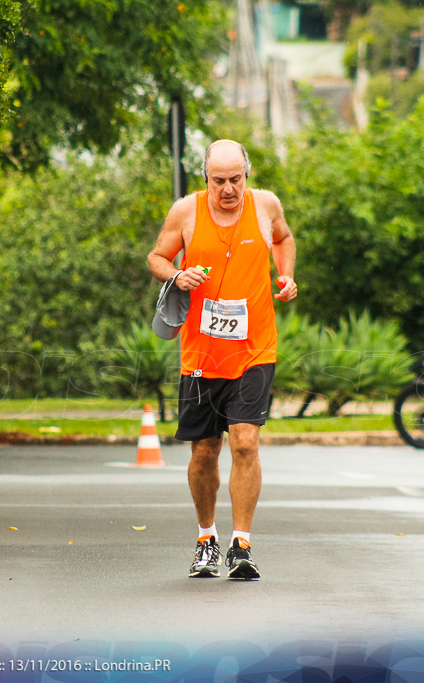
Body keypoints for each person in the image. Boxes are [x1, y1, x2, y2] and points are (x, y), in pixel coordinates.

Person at [147, 139, 297, 580]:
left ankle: (242, 544)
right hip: (200, 354)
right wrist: (177, 274)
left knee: (245, 442)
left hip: (255, 349)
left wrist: (285, 275)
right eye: (219, 181)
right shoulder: (186, 212)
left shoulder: (266, 205)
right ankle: (206, 538)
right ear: (205, 177)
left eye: (236, 179)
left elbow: (284, 239)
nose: (228, 189)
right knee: (204, 451)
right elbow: (156, 256)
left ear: (247, 175)